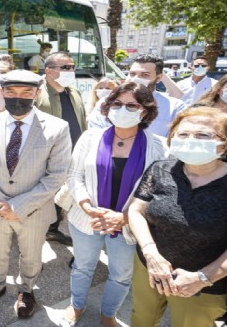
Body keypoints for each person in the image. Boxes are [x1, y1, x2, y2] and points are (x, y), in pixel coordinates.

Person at [126, 106, 227, 327]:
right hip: (150, 266)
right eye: (182, 134)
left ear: (224, 144)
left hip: (205, 284)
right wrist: (151, 254)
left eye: (202, 135)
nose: (189, 140)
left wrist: (202, 278)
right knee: (142, 319)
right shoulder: (160, 170)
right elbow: (136, 210)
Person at [63, 82, 166, 327]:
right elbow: (74, 176)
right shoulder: (90, 137)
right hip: (86, 218)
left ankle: (108, 313)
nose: (123, 109)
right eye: (117, 104)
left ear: (145, 110)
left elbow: (159, 191)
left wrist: (124, 217)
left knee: (121, 275)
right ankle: (77, 305)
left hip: (130, 225)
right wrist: (88, 207)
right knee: (82, 267)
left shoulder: (160, 146)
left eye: (132, 105)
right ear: (108, 107)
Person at [0, 70, 72, 320]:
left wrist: (18, 205)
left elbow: (57, 174)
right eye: (11, 92)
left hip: (35, 209)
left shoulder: (58, 127)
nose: (18, 98)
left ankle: (27, 290)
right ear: (2, 92)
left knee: (31, 254)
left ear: (37, 94)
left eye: (26, 93)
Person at [35, 51, 86, 246]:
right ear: (48, 71)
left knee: (64, 194)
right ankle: (40, 229)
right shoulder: (39, 94)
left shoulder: (74, 92)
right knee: (46, 194)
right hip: (47, 156)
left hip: (74, 153)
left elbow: (82, 121)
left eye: (72, 67)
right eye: (65, 67)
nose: (70, 71)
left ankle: (53, 229)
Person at [127, 54, 187, 137]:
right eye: (132, 74)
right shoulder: (111, 102)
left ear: (158, 78)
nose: (136, 79)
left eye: (145, 75)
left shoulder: (175, 107)